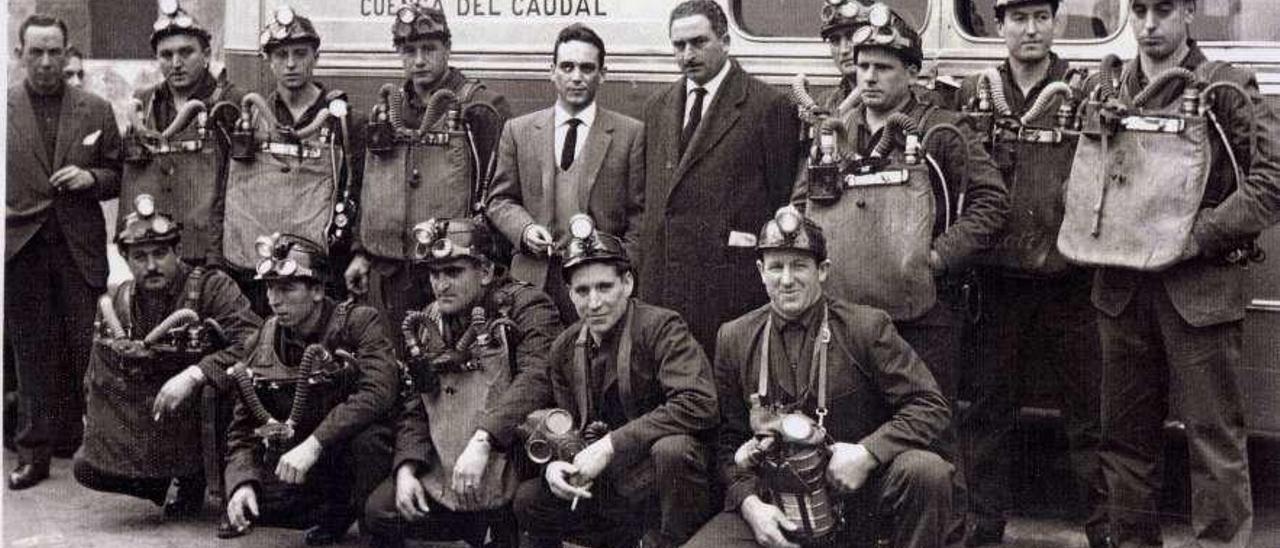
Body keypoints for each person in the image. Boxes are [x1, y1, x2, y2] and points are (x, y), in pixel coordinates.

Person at [792, 3, 1008, 542]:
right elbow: (801, 207)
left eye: (883, 67)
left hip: (922, 320)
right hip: (849, 320)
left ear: (912, 73)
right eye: (862, 66)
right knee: (856, 435)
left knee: (928, 437)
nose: (868, 77)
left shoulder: (941, 132)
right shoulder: (833, 135)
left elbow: (991, 205)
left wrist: (936, 259)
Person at [1076, 1, 1280, 546]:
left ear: (1188, 12)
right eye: (1138, 10)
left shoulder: (1225, 88)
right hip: (1121, 291)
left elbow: (1269, 180)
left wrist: (1197, 236)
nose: (1148, 25)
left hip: (1199, 291)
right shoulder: (1108, 86)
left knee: (1213, 446)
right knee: (1123, 445)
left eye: (1163, 9)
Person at [685, 206, 953, 548]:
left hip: (856, 502)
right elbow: (727, 443)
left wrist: (867, 453)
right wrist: (752, 508)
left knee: (926, 473)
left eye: (799, 266)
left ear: (822, 271)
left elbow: (930, 405)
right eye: (776, 267)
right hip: (774, 505)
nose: (786, 279)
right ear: (760, 272)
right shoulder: (734, 337)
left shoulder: (865, 328)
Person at [953, 1, 1106, 546]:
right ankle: (983, 524)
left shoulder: (1085, 89)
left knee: (1089, 415)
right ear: (1000, 27)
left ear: (1057, 22)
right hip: (999, 282)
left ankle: (1103, 528)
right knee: (989, 411)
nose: (1031, 29)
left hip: (1071, 280)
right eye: (1018, 18)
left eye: (1042, 15)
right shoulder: (976, 94)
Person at [477, 215, 720, 548]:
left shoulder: (661, 328)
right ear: (570, 294)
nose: (594, 302)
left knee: (673, 451)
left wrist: (610, 446)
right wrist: (559, 465)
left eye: (605, 287)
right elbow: (569, 426)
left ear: (628, 284)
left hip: (659, 485)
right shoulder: (565, 346)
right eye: (583, 290)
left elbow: (699, 403)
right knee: (530, 500)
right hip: (608, 486)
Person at [363, 217, 563, 548]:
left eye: (453, 272)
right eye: (434, 273)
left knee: (529, 512)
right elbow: (415, 402)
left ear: (484, 272)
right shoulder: (427, 320)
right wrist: (407, 467)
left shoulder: (527, 306)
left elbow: (537, 379)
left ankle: (503, 528)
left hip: (510, 463)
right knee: (380, 512)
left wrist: (485, 438)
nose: (440, 285)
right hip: (448, 465)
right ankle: (469, 528)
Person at [73, 194, 261, 517]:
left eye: (160, 254)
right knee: (87, 466)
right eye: (139, 256)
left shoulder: (211, 288)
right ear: (126, 259)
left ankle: (198, 475)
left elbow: (256, 343)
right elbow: (96, 368)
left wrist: (196, 374)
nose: (150, 266)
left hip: (208, 416)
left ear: (177, 251)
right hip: (153, 418)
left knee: (221, 391)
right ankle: (161, 479)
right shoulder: (118, 300)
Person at [637, 0, 800, 355]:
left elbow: (780, 199)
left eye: (699, 42)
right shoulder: (657, 106)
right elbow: (648, 198)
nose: (688, 54)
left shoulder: (768, 106)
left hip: (728, 290)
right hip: (664, 286)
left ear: (725, 41)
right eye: (679, 45)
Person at [5, 13, 123, 490]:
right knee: (30, 353)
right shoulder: (5, 108)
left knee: (90, 351)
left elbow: (119, 173)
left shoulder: (94, 109)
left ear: (69, 52)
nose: (48, 62)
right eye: (37, 52)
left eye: (56, 51)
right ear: (20, 55)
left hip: (79, 249)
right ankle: (33, 454)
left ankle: (100, 452)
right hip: (22, 249)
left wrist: (89, 178)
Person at [346, 2, 511, 345]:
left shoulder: (479, 107)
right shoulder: (386, 111)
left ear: (447, 49)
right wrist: (362, 252)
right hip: (394, 270)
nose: (418, 60)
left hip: (454, 269)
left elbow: (498, 191)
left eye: (429, 49)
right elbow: (370, 187)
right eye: (409, 51)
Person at [222, 233, 399, 545]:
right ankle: (334, 512)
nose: (274, 299)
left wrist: (315, 444)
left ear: (317, 290)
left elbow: (379, 392)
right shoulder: (262, 340)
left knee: (369, 440)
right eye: (270, 287)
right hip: (306, 455)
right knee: (260, 506)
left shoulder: (359, 322)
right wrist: (241, 483)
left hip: (353, 450)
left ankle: (379, 532)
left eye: (287, 288)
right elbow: (243, 428)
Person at [486, 23, 645, 322]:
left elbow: (641, 214)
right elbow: (499, 200)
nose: (576, 77)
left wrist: (620, 267)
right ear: (552, 71)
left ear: (602, 74)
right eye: (567, 66)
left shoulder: (630, 134)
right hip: (533, 279)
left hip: (597, 284)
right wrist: (525, 231)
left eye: (587, 68)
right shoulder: (518, 131)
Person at [220, 5, 360, 316]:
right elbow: (231, 191)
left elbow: (359, 189)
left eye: (300, 53)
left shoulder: (342, 121)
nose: (291, 64)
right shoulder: (252, 116)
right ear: (269, 61)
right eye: (281, 55)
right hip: (258, 269)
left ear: (316, 57)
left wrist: (356, 252)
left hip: (315, 272)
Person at [122, 0, 244, 267]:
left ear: (207, 54)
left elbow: (237, 184)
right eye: (166, 55)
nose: (176, 63)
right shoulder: (144, 101)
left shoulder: (228, 101)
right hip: (157, 249)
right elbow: (131, 176)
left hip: (209, 250)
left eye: (186, 52)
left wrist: (217, 252)